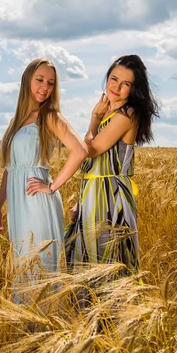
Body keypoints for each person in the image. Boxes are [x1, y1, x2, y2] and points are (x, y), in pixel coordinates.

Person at [0, 58, 87, 300]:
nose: (45, 87)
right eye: (40, 80)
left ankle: (47, 325)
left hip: (36, 201)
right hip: (17, 204)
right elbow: (10, 169)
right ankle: (29, 326)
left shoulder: (50, 116)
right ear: (27, 81)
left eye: (51, 83)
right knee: (24, 265)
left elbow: (80, 151)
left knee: (40, 266)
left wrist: (52, 186)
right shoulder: (15, 123)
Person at [65, 54, 159, 274]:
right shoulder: (109, 110)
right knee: (86, 257)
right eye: (114, 79)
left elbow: (91, 150)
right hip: (93, 193)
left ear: (133, 89)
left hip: (111, 198)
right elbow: (95, 164)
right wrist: (80, 203)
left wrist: (93, 120)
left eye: (126, 83)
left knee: (109, 260)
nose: (117, 87)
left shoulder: (128, 114)